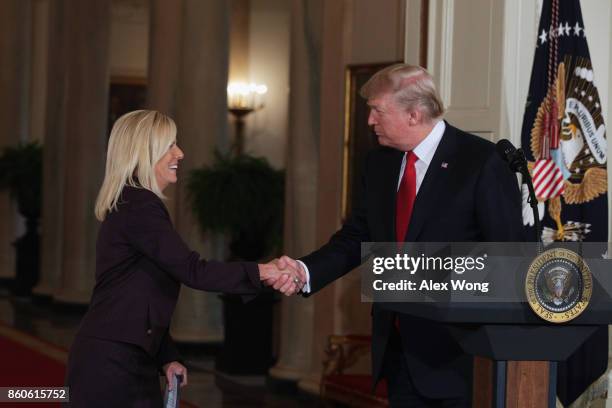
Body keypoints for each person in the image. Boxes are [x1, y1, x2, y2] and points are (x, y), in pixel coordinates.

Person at [271, 64, 524, 407]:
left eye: (377, 110)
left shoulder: (481, 161)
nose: (370, 121)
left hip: (460, 358)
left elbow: (505, 257)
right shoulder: (380, 164)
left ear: (413, 114)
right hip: (397, 353)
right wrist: (305, 271)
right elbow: (357, 237)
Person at [64, 110, 302, 407]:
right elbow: (193, 271)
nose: (180, 153)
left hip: (124, 357)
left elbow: (142, 295)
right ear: (143, 153)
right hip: (111, 365)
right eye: (169, 145)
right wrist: (262, 271)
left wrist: (167, 358)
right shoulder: (141, 206)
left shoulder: (133, 202)